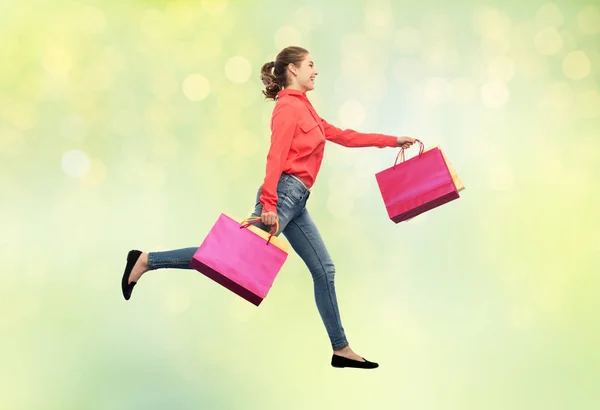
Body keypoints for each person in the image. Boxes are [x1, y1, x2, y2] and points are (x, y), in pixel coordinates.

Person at [121, 46, 415, 370]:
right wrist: (270, 204)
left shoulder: (307, 109)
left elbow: (344, 136)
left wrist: (393, 140)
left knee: (324, 270)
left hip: (297, 201)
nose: (316, 71)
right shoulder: (287, 108)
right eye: (311, 65)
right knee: (225, 258)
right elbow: (275, 156)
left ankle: (340, 349)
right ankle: (147, 260)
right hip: (283, 195)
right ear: (292, 70)